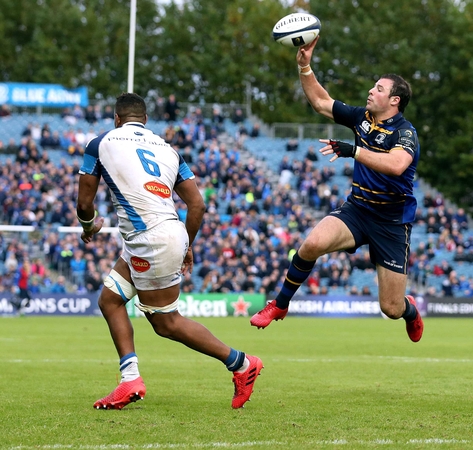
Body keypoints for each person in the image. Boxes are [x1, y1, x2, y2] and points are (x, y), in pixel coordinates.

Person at [77, 93, 262, 410]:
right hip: (165, 231)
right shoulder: (168, 150)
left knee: (166, 323)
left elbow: (84, 203)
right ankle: (129, 379)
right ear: (145, 121)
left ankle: (242, 364)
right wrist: (186, 243)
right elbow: (197, 204)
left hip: (148, 237)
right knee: (110, 300)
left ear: (117, 119)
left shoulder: (101, 143)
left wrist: (88, 227)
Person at [250, 36, 424, 342]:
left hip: (392, 222)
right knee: (312, 243)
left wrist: (353, 150)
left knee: (391, 308)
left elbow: (397, 165)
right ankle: (280, 304)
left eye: (379, 89)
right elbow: (320, 101)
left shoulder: (405, 132)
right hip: (357, 210)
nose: (371, 90)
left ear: (394, 100)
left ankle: (410, 311)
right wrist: (305, 66)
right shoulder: (362, 118)